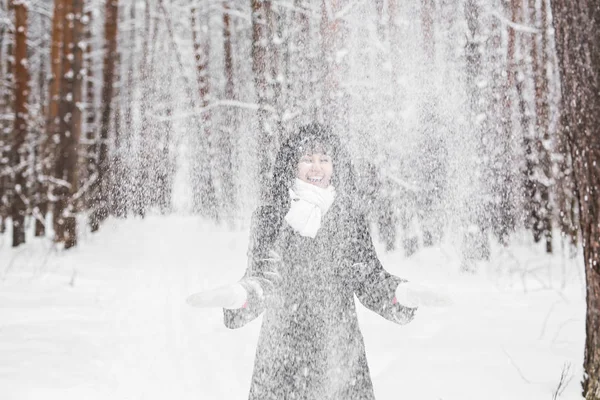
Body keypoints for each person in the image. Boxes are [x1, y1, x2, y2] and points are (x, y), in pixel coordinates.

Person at [187, 123, 421, 400]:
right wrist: (239, 296)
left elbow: (368, 277)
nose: (316, 168)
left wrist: (400, 294)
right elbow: (264, 277)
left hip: (340, 358)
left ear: (336, 167)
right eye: (307, 159)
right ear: (292, 165)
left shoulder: (349, 218)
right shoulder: (270, 218)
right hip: (282, 360)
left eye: (324, 159)